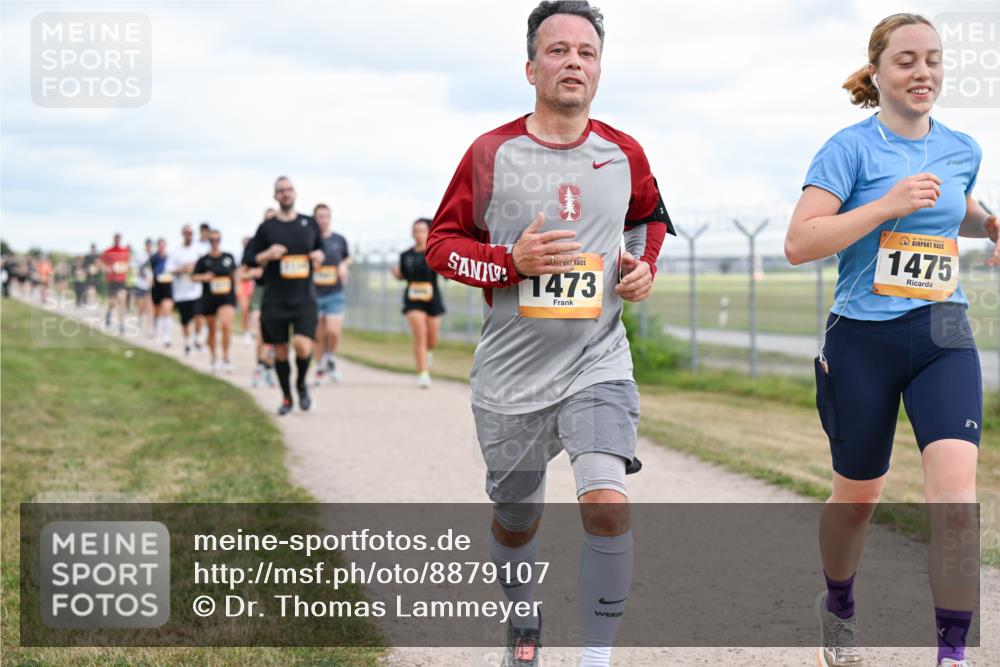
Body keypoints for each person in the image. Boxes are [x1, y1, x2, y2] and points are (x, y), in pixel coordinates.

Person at [425, 3, 671, 665]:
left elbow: (649, 218)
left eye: (586, 53)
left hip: (597, 359)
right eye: (558, 51)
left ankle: (595, 658)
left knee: (606, 504)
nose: (573, 63)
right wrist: (511, 261)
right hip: (511, 376)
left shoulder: (624, 152)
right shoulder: (491, 153)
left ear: (600, 69)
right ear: (531, 67)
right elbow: (442, 245)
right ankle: (522, 615)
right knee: (516, 519)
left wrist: (641, 265)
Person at [784, 14, 994, 667]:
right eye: (906, 61)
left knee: (954, 500)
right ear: (876, 72)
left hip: (942, 331)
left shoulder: (961, 147)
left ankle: (951, 654)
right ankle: (839, 607)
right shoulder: (848, 149)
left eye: (933, 59)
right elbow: (799, 243)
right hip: (862, 341)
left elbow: (956, 204)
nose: (923, 72)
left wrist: (992, 225)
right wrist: (884, 206)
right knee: (857, 500)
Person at [246, 176, 324, 415]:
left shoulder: (309, 223)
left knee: (302, 346)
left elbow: (320, 249)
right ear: (275, 196)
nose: (286, 194)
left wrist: (319, 256)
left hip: (304, 297)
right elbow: (249, 258)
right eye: (281, 191)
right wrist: (267, 254)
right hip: (276, 299)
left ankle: (301, 384)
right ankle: (287, 397)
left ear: (295, 193)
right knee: (280, 351)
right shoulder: (267, 228)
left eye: (289, 189)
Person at [392, 218, 445, 388]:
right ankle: (423, 373)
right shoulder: (405, 255)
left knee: (432, 339)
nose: (418, 234)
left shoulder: (435, 252)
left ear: (429, 232)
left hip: (433, 299)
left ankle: (427, 352)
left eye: (421, 230)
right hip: (413, 300)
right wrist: (398, 275)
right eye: (415, 231)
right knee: (420, 334)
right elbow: (403, 276)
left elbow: (446, 273)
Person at [312, 203, 351, 384]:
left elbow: (347, 257)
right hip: (314, 294)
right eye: (320, 217)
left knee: (333, 331)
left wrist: (344, 265)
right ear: (315, 219)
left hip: (334, 293)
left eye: (326, 216)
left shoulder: (339, 239)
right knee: (318, 334)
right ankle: (320, 368)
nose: (323, 220)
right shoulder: (310, 240)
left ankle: (330, 357)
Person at [193, 229, 238, 372]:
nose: (215, 242)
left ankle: (226, 357)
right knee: (211, 330)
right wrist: (204, 277)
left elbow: (236, 273)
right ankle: (213, 358)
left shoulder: (228, 257)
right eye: (212, 240)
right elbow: (194, 276)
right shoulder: (203, 260)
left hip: (226, 297)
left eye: (217, 239)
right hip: (209, 297)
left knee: (226, 325)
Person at [166, 225, 205, 355]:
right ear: (183, 234)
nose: (189, 235)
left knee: (199, 316)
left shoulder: (198, 250)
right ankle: (187, 342)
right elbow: (169, 269)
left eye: (191, 233)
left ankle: (197, 338)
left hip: (196, 290)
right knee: (185, 320)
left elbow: (204, 266)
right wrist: (182, 269)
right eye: (187, 233)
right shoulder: (175, 251)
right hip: (181, 292)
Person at [100, 233, 130, 334]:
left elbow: (128, 264)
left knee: (122, 301)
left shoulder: (125, 251)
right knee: (112, 301)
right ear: (113, 239)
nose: (117, 241)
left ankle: (121, 325)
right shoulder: (108, 251)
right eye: (116, 239)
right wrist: (106, 268)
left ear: (120, 240)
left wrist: (126, 268)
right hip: (111, 280)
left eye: (119, 239)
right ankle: (109, 314)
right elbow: (101, 264)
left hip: (121, 280)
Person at [149, 238, 175, 347]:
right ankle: (156, 332)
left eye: (163, 245)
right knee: (157, 311)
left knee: (167, 310)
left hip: (167, 285)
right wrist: (150, 278)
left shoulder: (170, 257)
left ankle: (167, 337)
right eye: (160, 245)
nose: (161, 247)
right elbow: (147, 270)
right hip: (157, 286)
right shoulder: (153, 258)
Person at [131, 238, 154, 336]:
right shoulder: (140, 255)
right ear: (146, 245)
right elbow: (134, 266)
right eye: (148, 245)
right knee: (141, 306)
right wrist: (140, 273)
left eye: (150, 245)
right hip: (140, 284)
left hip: (150, 286)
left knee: (150, 306)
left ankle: (150, 329)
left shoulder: (153, 255)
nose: (149, 247)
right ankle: (139, 319)